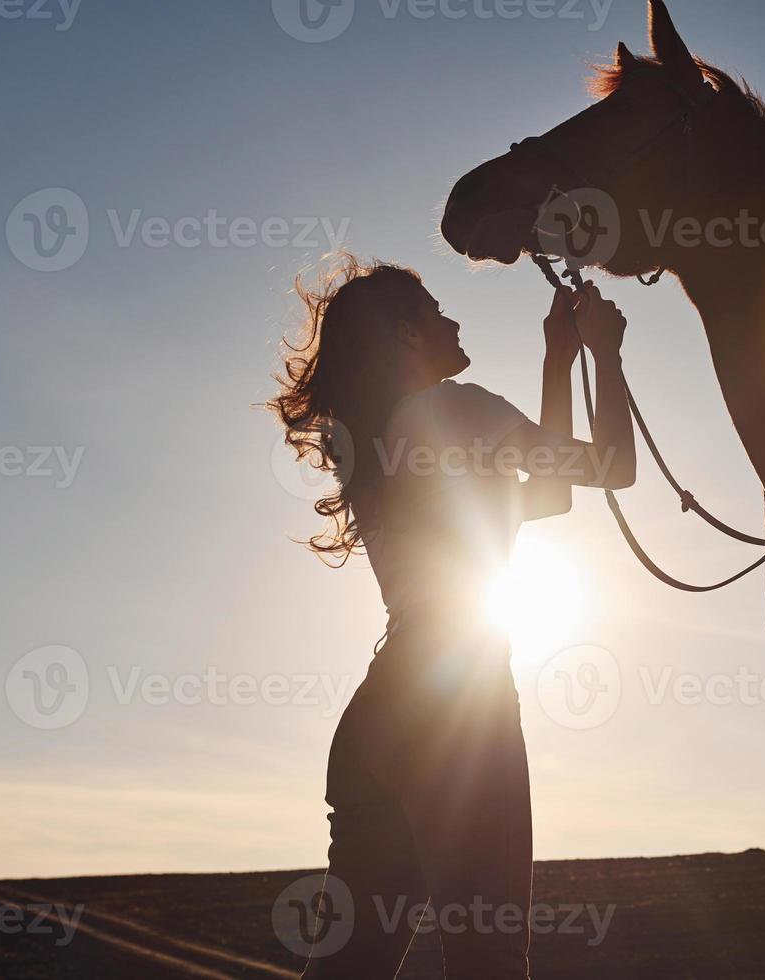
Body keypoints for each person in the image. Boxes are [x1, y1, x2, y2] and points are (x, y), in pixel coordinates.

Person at [269, 254, 635, 978]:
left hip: (382, 712)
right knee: (488, 959)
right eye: (438, 312)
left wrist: (557, 360)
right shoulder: (455, 408)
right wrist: (606, 354)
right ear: (408, 335)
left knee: (352, 966)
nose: (454, 321)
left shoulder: (381, 445)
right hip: (459, 706)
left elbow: (550, 494)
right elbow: (610, 466)